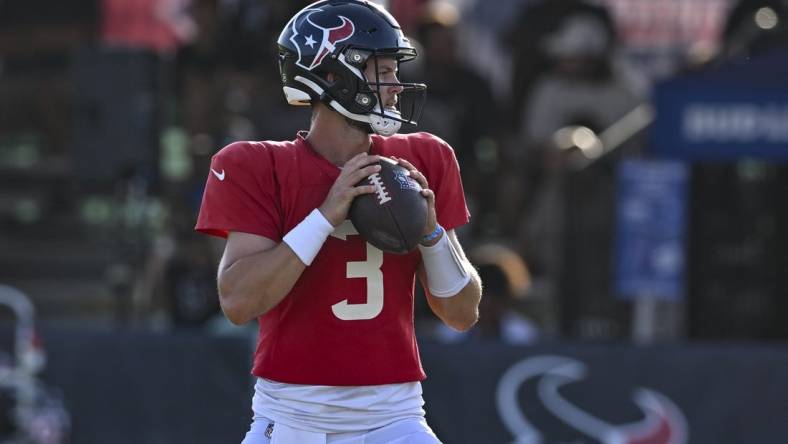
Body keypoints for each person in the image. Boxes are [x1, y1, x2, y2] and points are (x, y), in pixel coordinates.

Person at [194, 1, 482, 443]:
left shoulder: (425, 158)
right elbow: (238, 302)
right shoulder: (256, 164)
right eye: (381, 71)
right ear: (331, 75)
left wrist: (431, 234)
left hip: (396, 417)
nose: (394, 87)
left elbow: (462, 313)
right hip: (292, 419)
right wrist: (325, 216)